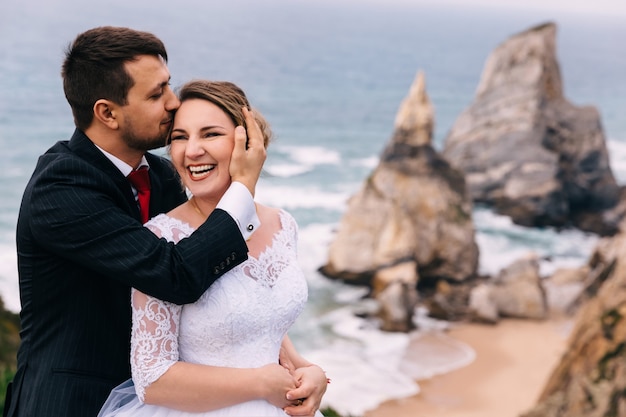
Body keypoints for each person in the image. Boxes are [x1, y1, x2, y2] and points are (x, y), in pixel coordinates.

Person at [4, 26, 324, 417]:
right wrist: (242, 188)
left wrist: (301, 367)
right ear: (107, 112)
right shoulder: (60, 190)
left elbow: (227, 291)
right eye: (157, 94)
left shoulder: (163, 177)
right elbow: (175, 276)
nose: (173, 103)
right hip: (75, 400)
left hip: (193, 398)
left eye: (168, 86)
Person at [98, 80, 327, 417]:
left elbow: (262, 325)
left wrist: (311, 373)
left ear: (248, 142)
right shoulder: (161, 237)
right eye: (180, 137)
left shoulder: (283, 225)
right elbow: (151, 379)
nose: (191, 151)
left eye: (209, 134)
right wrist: (259, 384)